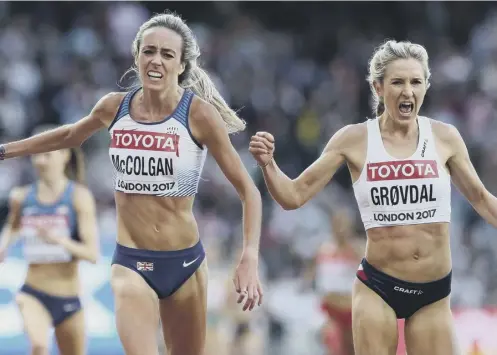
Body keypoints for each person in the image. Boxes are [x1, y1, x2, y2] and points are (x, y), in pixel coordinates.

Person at [0, 11, 263, 355]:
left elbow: (249, 190)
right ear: (136, 55)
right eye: (149, 51)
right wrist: (6, 150)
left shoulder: (198, 115)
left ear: (182, 66)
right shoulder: (114, 107)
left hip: (185, 263)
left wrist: (250, 255)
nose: (156, 61)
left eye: (167, 54)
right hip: (131, 263)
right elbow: (68, 135)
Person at [249, 39, 497, 355]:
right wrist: (268, 164)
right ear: (378, 88)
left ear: (425, 87)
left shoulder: (444, 136)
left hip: (433, 293)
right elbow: (293, 196)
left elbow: (482, 198)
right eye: (398, 82)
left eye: (415, 82)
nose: (408, 91)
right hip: (378, 288)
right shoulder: (354, 139)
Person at [0, 124, 99, 355]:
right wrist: (4, 245)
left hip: (69, 298)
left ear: (64, 155)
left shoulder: (79, 197)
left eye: (47, 154)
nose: (40, 162)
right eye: (36, 155)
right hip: (33, 292)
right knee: (39, 346)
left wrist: (59, 241)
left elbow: (92, 254)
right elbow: (13, 228)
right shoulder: (21, 197)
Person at [305, 209, 363, 355]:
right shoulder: (323, 250)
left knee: (352, 348)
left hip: (351, 308)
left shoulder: (359, 249)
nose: (341, 229)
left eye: (344, 225)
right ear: (332, 226)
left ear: (350, 227)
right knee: (333, 343)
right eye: (338, 225)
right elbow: (310, 276)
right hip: (330, 308)